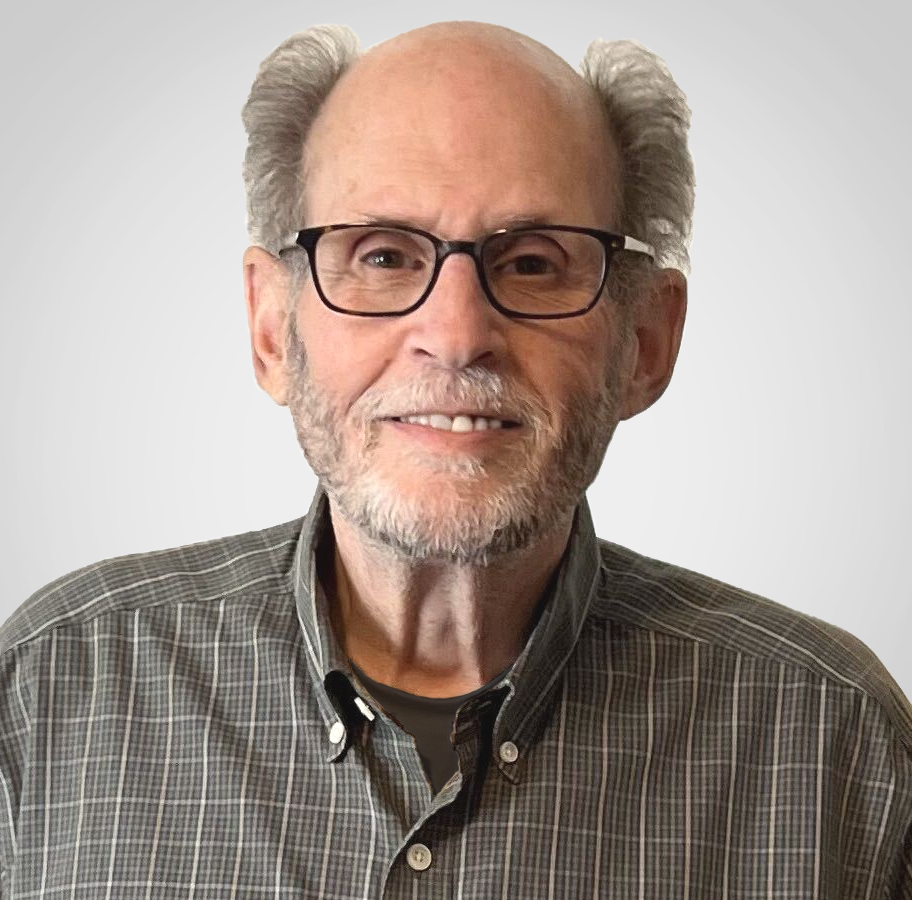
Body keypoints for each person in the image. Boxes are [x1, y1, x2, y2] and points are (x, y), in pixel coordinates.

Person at [0, 18, 909, 899]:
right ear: (272, 328)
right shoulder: (50, 690)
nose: (458, 334)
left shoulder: (836, 743)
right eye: (384, 255)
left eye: (534, 264)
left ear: (645, 341)